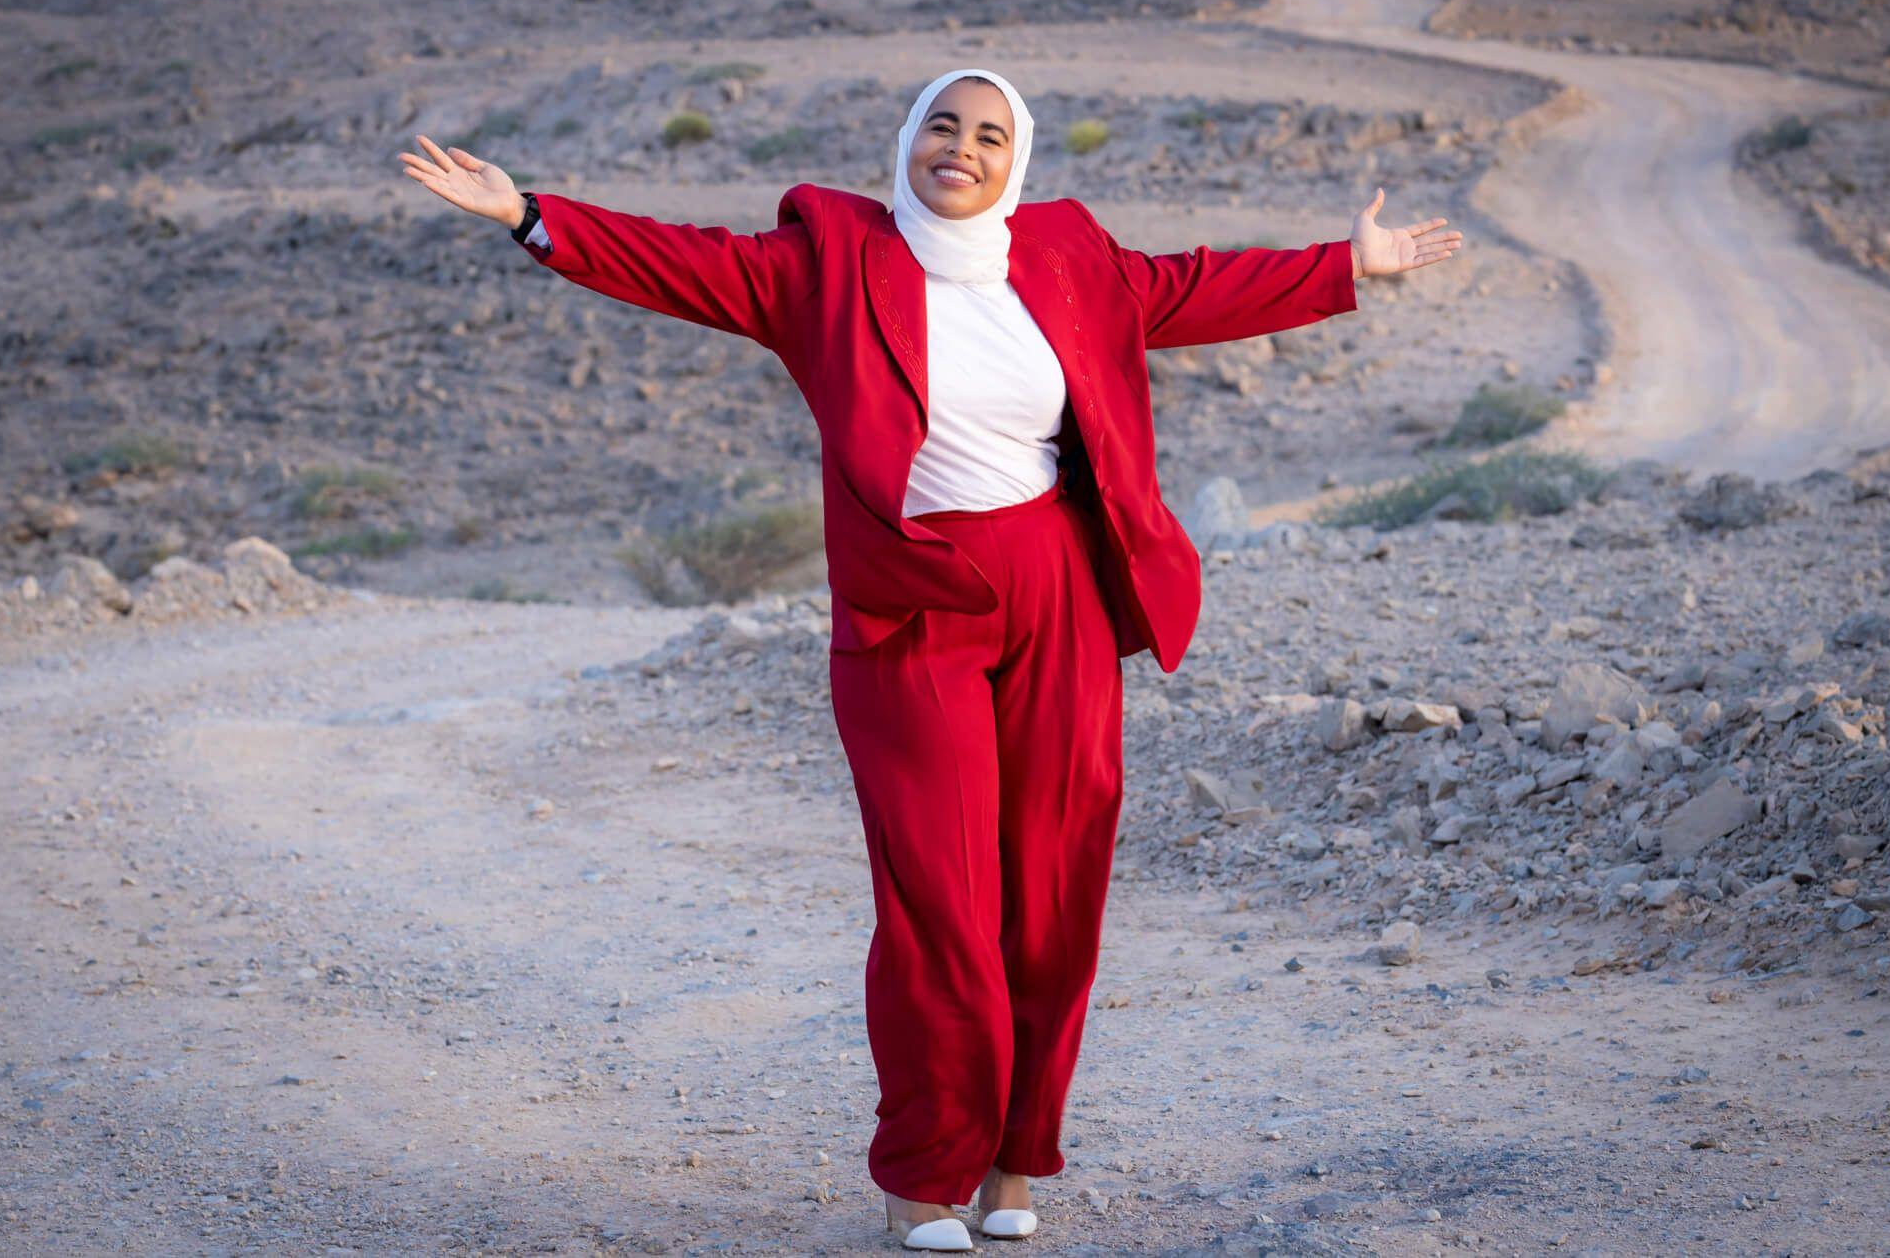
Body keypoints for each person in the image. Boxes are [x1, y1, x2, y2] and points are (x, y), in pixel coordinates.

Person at [400, 66, 1462, 1251]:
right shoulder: (829, 264)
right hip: (913, 606)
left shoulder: (1067, 257)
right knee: (939, 897)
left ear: (1021, 160)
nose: (963, 148)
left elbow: (1190, 288)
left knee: (1057, 882)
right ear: (906, 141)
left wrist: (1346, 265)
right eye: (943, 127)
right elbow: (683, 264)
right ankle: (924, 1175)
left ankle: (1014, 1163)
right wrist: (530, 215)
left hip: (1055, 587)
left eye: (990, 135)